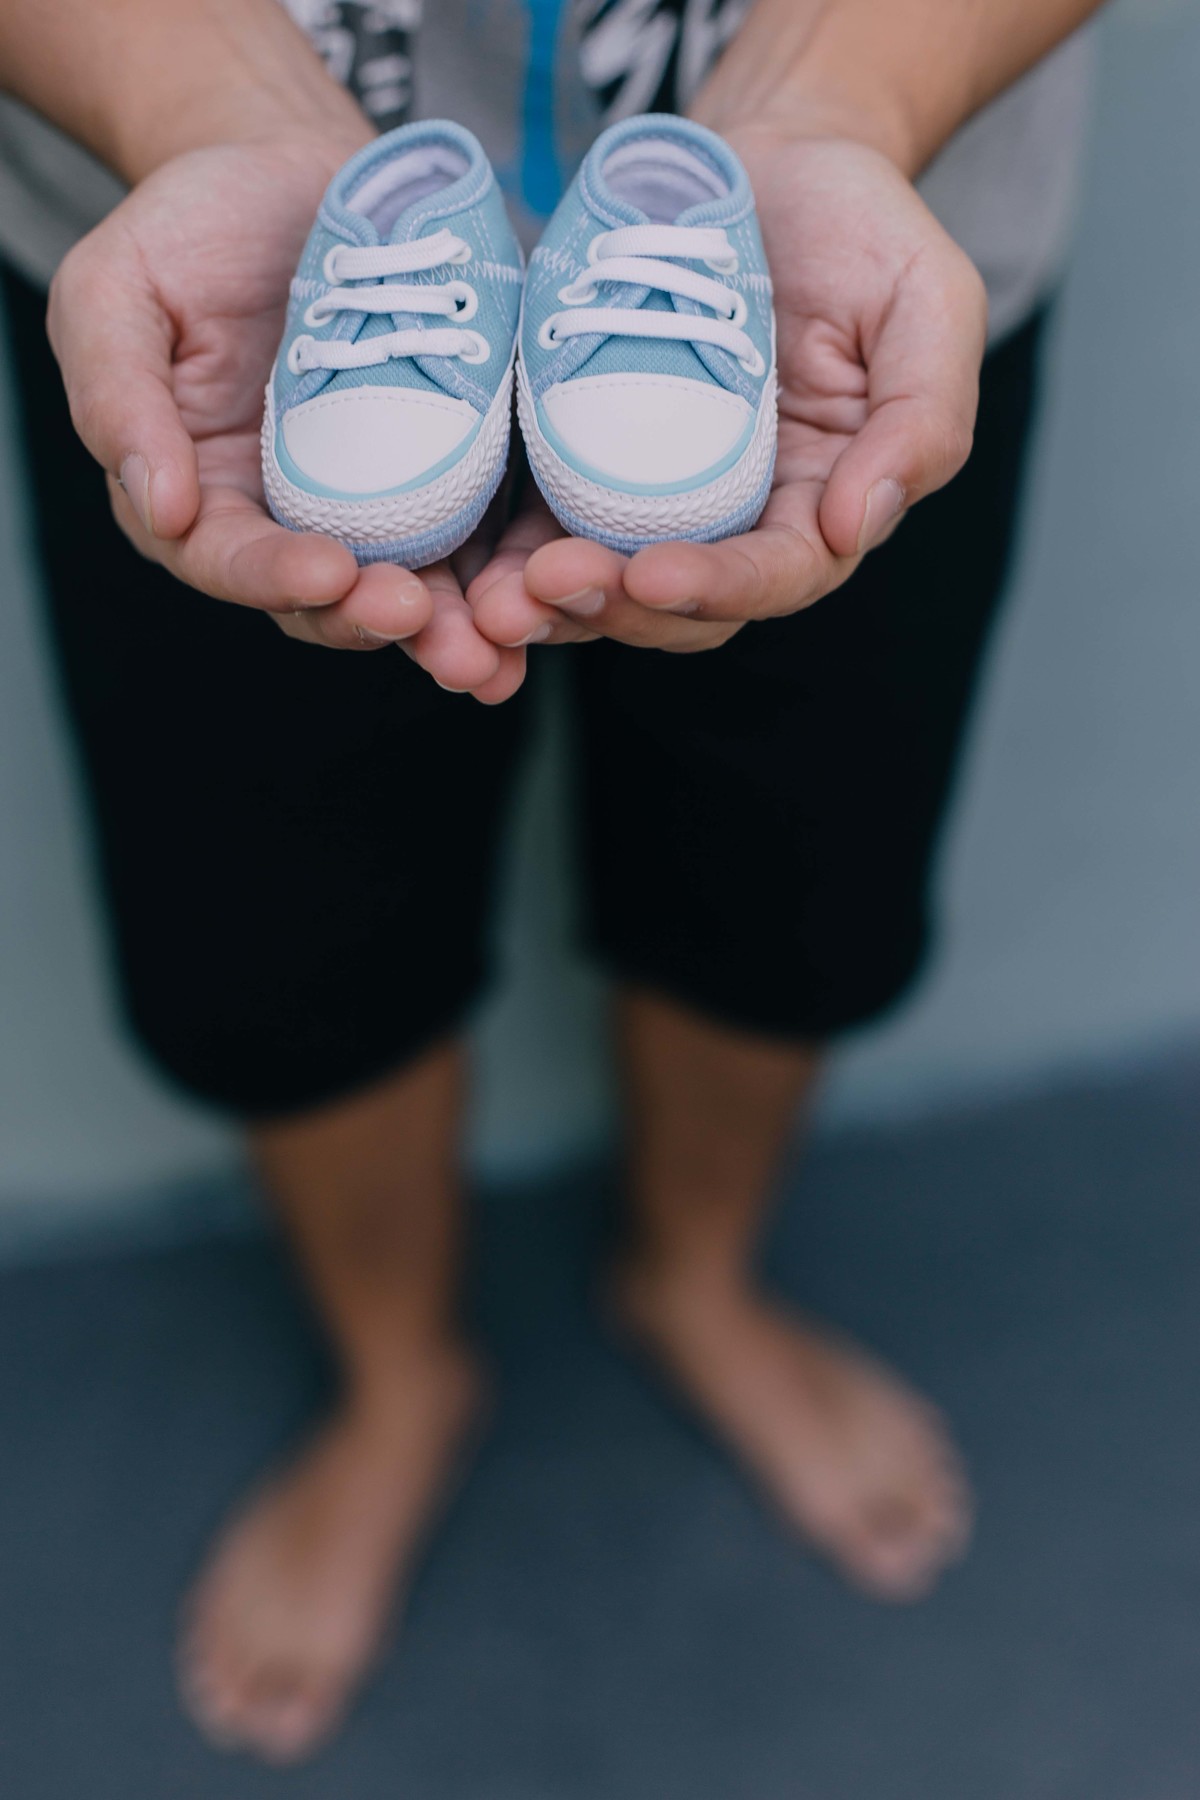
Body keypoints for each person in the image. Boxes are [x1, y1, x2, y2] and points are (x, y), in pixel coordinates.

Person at [0, 0, 1101, 1765]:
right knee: (272, 936)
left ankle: (698, 1275)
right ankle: (398, 1374)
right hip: (198, 223)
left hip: (881, 207)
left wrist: (845, 96)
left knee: (798, 878)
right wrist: (195, 100)